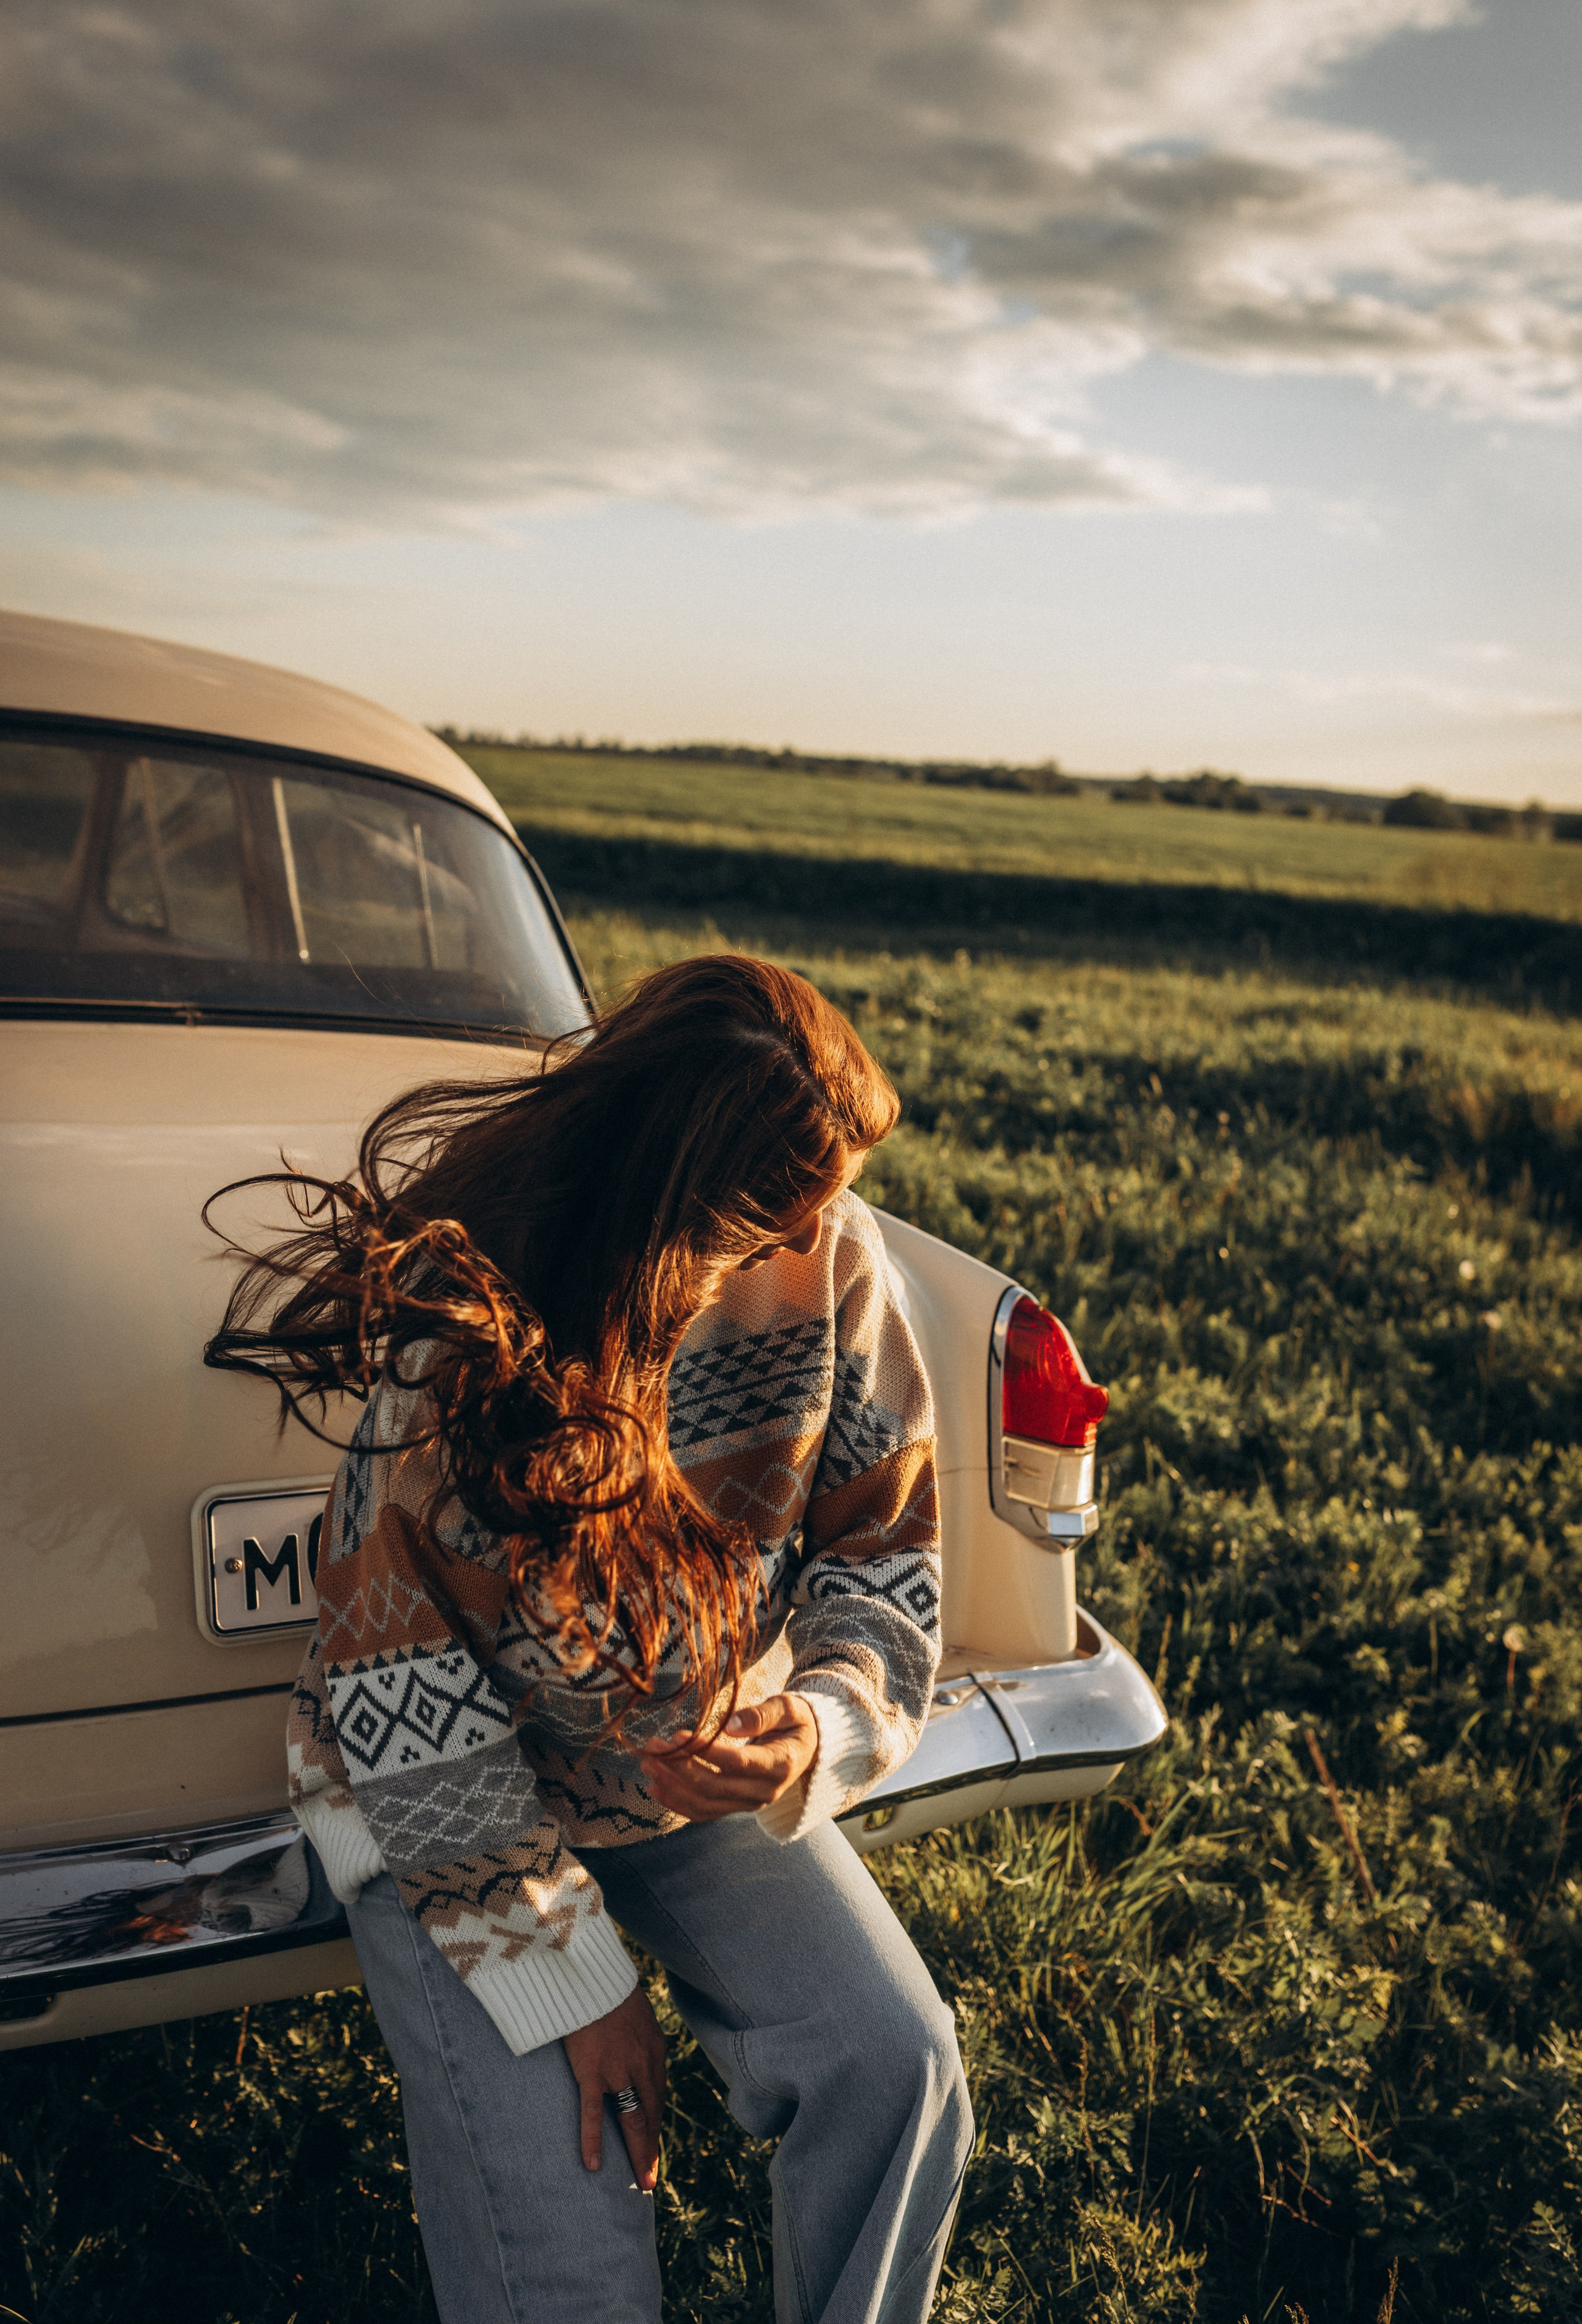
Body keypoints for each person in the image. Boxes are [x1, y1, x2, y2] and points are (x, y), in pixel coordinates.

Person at [205, 953, 973, 2324]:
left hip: (681, 1781)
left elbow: (880, 1550)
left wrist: (812, 1724)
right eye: (775, 1214)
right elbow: (398, 1697)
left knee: (891, 2063)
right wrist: (574, 1982)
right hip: (442, 1806)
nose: (823, 1232)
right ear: (675, 1194)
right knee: (571, 2257)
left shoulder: (830, 1257)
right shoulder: (467, 1338)